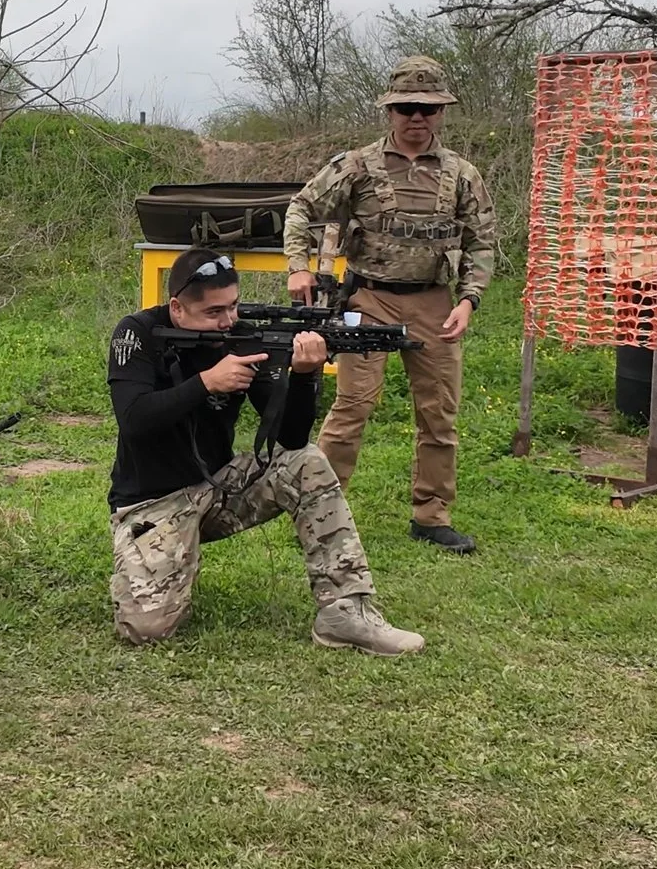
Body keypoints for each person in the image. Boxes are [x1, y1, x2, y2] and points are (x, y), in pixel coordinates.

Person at [105, 248, 425, 653]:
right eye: (214, 312)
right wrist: (206, 383)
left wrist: (304, 376)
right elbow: (134, 419)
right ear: (177, 308)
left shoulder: (242, 339)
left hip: (218, 488)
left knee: (306, 462)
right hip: (151, 504)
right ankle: (165, 560)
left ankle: (345, 612)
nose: (228, 321)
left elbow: (291, 438)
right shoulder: (137, 333)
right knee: (146, 630)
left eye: (233, 306)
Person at [283, 54, 499, 555]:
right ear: (389, 111)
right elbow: (302, 206)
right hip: (368, 298)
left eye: (428, 108)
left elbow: (482, 241)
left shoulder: (462, 174)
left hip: (434, 304)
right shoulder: (357, 165)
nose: (417, 118)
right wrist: (297, 265)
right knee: (352, 405)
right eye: (406, 108)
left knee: (439, 415)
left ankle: (431, 516)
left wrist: (469, 300)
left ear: (442, 112)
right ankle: (319, 513)